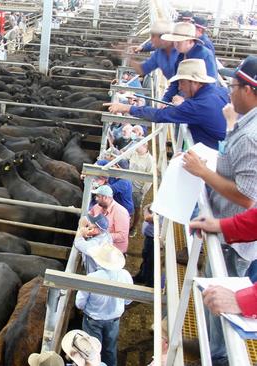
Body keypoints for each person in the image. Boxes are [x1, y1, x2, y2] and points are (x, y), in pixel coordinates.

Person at [181, 55, 257, 366]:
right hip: (233, 230)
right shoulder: (246, 125)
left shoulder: (253, 136)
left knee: (223, 302)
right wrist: (223, 227)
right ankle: (212, 346)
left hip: (237, 247)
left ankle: (220, 355)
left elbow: (247, 197)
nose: (229, 92)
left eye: (234, 86)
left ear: (250, 90)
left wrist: (245, 300)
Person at [105, 59, 228, 149]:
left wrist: (126, 107)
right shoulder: (219, 91)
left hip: (215, 154)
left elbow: (159, 115)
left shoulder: (197, 106)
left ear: (194, 82)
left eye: (181, 82)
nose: (179, 87)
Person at [76, 243, 132, 366]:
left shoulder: (92, 278)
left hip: (93, 319)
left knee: (92, 350)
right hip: (114, 319)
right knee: (110, 349)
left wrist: (83, 308)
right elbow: (129, 300)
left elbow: (79, 302)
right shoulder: (125, 275)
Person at [159, 22, 218, 103]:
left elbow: (211, 85)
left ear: (190, 41)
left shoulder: (204, 55)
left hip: (197, 101)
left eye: (178, 42)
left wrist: (185, 100)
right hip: (185, 98)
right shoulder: (180, 55)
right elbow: (176, 82)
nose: (175, 45)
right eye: (174, 42)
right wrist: (165, 100)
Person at [88, 185, 130, 253]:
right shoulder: (97, 207)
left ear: (105, 197)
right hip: (100, 246)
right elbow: (89, 214)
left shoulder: (120, 212)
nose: (95, 199)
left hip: (114, 251)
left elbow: (122, 236)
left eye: (98, 196)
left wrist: (99, 234)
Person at [129, 143, 153, 230]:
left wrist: (142, 191)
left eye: (138, 145)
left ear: (145, 146)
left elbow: (150, 179)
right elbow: (123, 156)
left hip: (138, 189)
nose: (135, 146)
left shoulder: (150, 160)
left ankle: (134, 227)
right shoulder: (133, 153)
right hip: (128, 185)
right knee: (127, 205)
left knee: (137, 208)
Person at [134, 205, 155, 286]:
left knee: (150, 261)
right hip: (150, 237)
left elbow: (148, 218)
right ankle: (142, 277)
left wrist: (146, 209)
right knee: (146, 258)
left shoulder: (166, 209)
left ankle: (149, 284)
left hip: (153, 239)